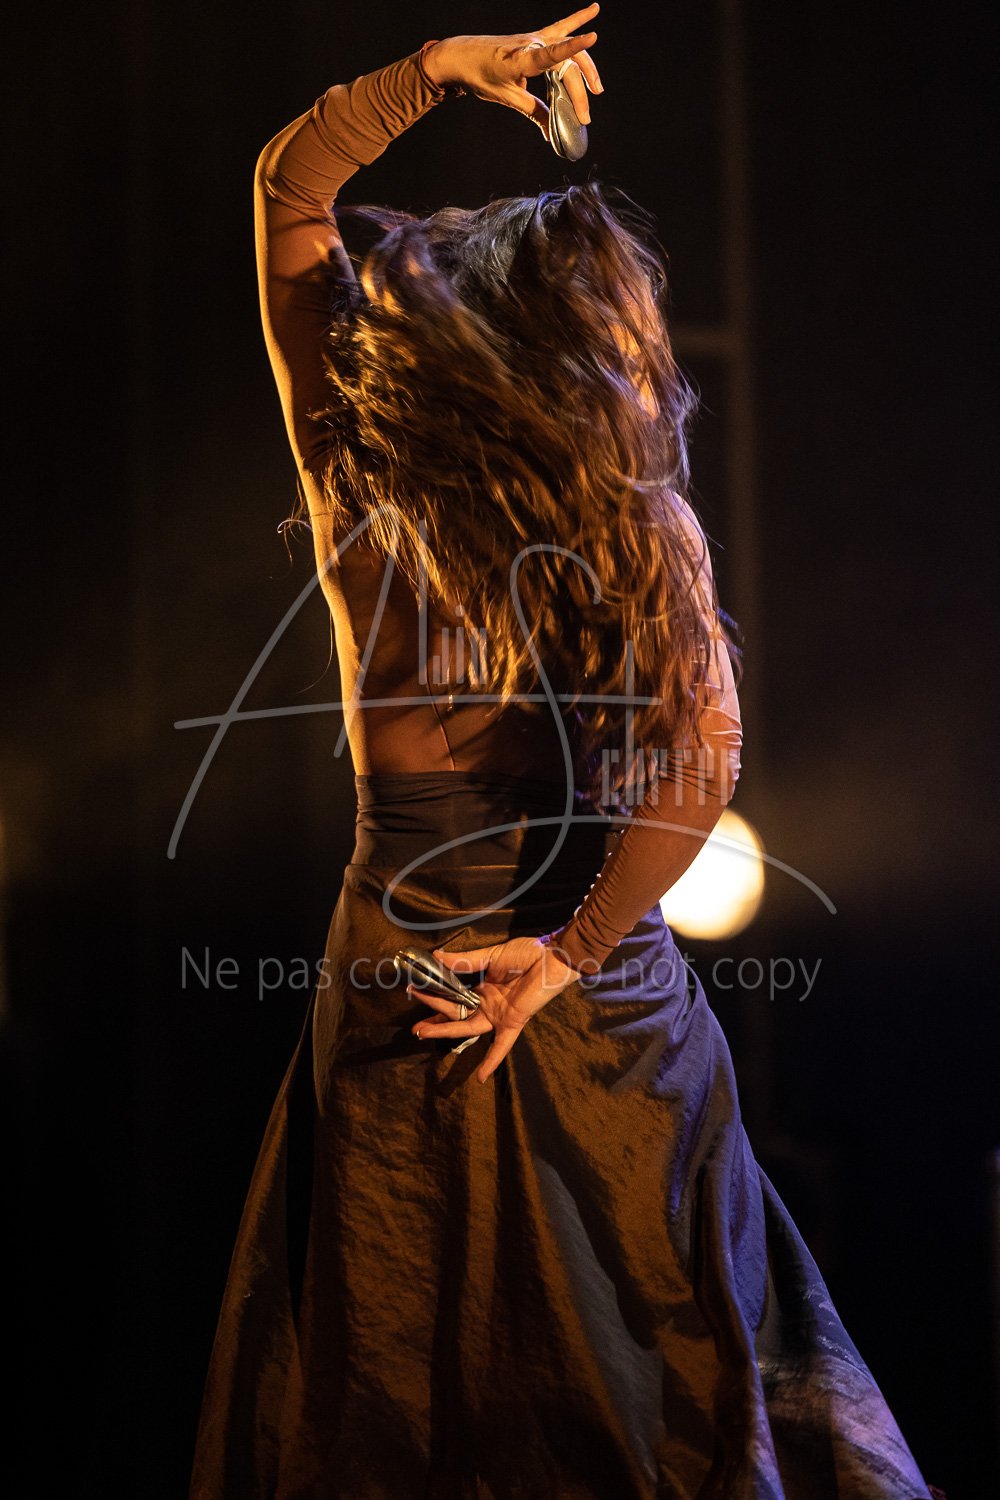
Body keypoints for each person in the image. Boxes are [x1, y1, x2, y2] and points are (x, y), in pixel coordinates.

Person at [189, 9, 941, 1497]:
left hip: (406, 965)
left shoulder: (354, 460)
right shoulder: (635, 524)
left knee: (400, 1383)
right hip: (599, 998)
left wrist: (431, 73)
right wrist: (572, 953)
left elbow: (291, 188)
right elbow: (707, 754)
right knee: (655, 1381)